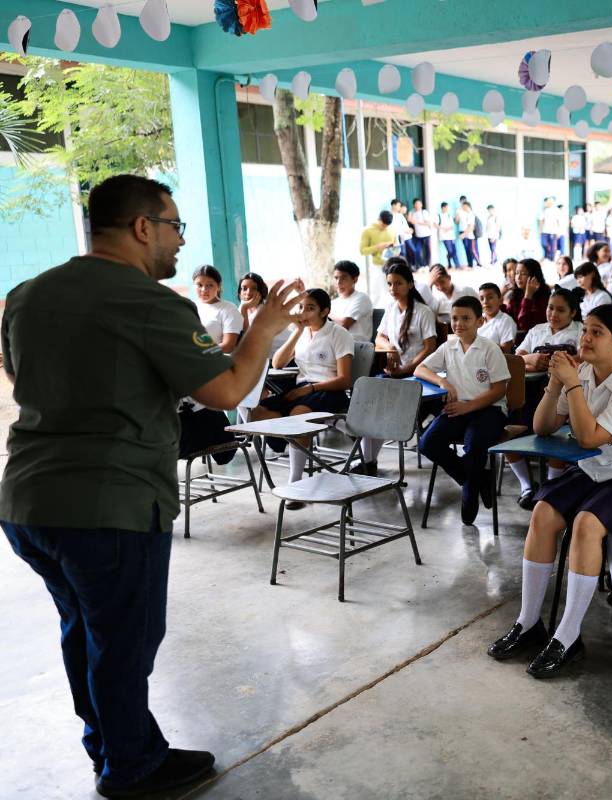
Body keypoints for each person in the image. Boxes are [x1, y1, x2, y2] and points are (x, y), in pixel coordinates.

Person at [1, 174, 304, 797]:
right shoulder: (151, 303)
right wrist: (263, 329)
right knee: (124, 644)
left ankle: (117, 747)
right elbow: (223, 390)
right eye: (174, 228)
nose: (178, 244)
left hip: (28, 501)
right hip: (109, 504)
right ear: (143, 227)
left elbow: (21, 372)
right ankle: (131, 771)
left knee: (84, 630)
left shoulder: (26, 296)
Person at [486, 304, 612, 677]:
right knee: (542, 513)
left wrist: (572, 383)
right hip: (599, 469)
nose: (585, 338)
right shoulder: (585, 373)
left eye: (597, 332)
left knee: (587, 524)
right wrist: (557, 383)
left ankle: (568, 635)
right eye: (585, 330)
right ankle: (529, 624)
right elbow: (542, 427)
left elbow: (589, 437)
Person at [415, 296, 511, 524]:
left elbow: (499, 390)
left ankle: (469, 493)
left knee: (474, 443)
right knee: (427, 443)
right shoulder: (448, 346)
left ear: (479, 321)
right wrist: (443, 382)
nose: (458, 323)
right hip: (458, 409)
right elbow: (421, 369)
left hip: (489, 409)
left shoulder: (489, 349)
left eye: (466, 318)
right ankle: (474, 481)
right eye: (454, 318)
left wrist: (469, 406)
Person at [253, 288, 355, 504]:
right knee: (258, 411)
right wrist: (297, 332)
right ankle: (287, 439)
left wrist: (310, 389)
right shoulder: (300, 333)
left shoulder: (339, 334)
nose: (303, 312)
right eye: (301, 307)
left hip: (328, 391)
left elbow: (345, 379)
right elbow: (277, 363)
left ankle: (296, 483)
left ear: (325, 311)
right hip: (302, 390)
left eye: (310, 308)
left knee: (299, 417)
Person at [355, 261, 438, 475]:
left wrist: (407, 368)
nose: (393, 289)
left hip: (417, 375)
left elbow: (430, 347)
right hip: (394, 373)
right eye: (390, 284)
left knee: (383, 408)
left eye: (398, 283)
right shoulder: (391, 309)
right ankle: (369, 461)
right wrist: (390, 347)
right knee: (367, 403)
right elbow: (379, 337)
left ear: (410, 284)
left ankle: (369, 461)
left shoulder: (423, 312)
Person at [506, 288, 584, 508]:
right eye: (551, 308)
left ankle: (551, 486)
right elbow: (516, 358)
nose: (553, 314)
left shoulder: (579, 331)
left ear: (573, 313)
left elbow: (583, 358)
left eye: (561, 310)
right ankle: (526, 485)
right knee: (506, 430)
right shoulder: (537, 330)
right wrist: (531, 358)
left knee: (554, 436)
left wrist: (556, 362)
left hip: (561, 394)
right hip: (527, 393)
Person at [192, 265, 242, 354]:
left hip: (215, 362)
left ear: (218, 286)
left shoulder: (228, 309)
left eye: (210, 285)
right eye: (199, 285)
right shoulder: (191, 306)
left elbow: (228, 346)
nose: (204, 289)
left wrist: (198, 352)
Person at [329, 260, 375, 342]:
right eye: (336, 278)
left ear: (355, 280)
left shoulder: (361, 298)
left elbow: (344, 324)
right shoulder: (333, 303)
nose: (338, 282)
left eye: (343, 278)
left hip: (357, 346)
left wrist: (327, 312)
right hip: (336, 344)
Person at [504, 258, 552, 333]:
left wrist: (528, 296)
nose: (518, 277)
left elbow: (524, 324)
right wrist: (500, 296)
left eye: (523, 274)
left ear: (534, 277)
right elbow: (505, 319)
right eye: (517, 273)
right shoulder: (517, 294)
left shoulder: (544, 298)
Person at [477, 282, 517, 352]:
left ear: (500, 300)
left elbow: (505, 350)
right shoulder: (476, 319)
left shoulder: (506, 321)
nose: (485, 302)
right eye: (482, 298)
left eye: (490, 297)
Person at [408, 199, 433, 267]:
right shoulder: (412, 212)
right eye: (416, 204)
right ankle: (422, 264)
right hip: (417, 236)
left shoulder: (424, 212)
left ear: (421, 205)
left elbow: (428, 223)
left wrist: (417, 222)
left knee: (427, 250)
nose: (417, 205)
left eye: (419, 204)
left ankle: (427, 264)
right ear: (414, 205)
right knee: (417, 251)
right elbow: (409, 219)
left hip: (426, 235)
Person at [390, 199, 415, 265]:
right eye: (398, 205)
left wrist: (409, 230)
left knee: (403, 253)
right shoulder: (389, 215)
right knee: (395, 255)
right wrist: (404, 230)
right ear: (393, 205)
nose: (399, 207)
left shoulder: (400, 215)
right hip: (393, 238)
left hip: (401, 237)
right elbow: (392, 228)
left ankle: (402, 269)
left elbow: (403, 226)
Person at [436, 202, 460, 268]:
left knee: (454, 250)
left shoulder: (449, 215)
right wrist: (443, 228)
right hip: (444, 236)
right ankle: (448, 259)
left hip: (451, 236)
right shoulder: (439, 215)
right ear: (443, 208)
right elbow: (435, 224)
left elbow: (452, 225)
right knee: (450, 250)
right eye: (446, 207)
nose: (447, 208)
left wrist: (448, 229)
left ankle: (457, 265)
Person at [457, 200, 479, 268]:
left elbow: (471, 227)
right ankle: (470, 265)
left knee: (472, 251)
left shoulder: (471, 214)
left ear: (467, 206)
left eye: (463, 206)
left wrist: (464, 234)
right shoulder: (465, 214)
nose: (462, 208)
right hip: (466, 236)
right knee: (467, 251)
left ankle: (479, 264)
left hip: (470, 236)